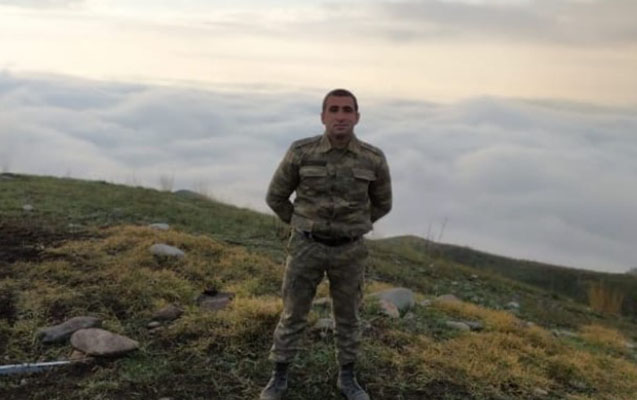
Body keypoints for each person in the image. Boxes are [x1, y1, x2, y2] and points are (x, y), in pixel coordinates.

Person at [260, 88, 392, 400]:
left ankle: (347, 377)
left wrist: (353, 227)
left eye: (347, 110)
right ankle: (279, 375)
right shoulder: (301, 152)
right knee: (293, 313)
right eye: (333, 110)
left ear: (357, 117)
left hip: (349, 250)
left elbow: (382, 203)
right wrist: (301, 224)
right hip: (307, 248)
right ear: (323, 117)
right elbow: (276, 196)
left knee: (348, 316)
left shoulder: (372, 158)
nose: (340, 116)